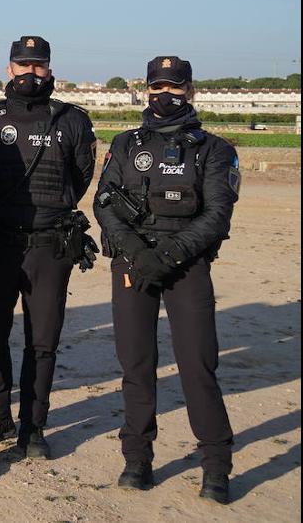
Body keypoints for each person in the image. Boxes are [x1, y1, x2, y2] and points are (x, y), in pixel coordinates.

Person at [93, 55, 238, 504]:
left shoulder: (215, 149)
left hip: (188, 266)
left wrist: (169, 255)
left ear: (190, 91)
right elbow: (104, 204)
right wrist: (139, 254)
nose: (165, 94)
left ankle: (216, 465)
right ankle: (137, 459)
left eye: (175, 86)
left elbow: (217, 215)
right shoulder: (124, 143)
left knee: (198, 366)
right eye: (158, 86)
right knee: (136, 366)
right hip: (133, 268)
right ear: (147, 89)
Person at [0, 36, 97, 458]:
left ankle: (34, 427)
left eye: (37, 65)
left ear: (49, 68)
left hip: (50, 246)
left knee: (42, 341)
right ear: (9, 69)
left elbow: (79, 179)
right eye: (21, 65)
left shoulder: (72, 120)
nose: (29, 72)